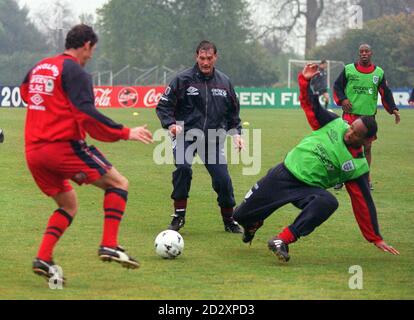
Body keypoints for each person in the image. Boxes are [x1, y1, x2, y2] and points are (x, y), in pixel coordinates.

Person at [20, 24, 154, 284]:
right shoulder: (75, 71)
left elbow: (27, 94)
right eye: (91, 50)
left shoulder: (41, 66)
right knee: (119, 184)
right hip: (61, 147)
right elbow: (87, 115)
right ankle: (109, 244)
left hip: (33, 152)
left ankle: (43, 258)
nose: (91, 56)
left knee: (68, 204)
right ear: (86, 45)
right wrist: (126, 132)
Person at [233, 64, 399, 263]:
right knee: (240, 216)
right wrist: (305, 81)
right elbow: (311, 105)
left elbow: (363, 202)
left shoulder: (358, 166)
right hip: (283, 174)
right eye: (351, 127)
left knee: (328, 202)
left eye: (356, 134)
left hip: (308, 189)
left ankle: (282, 240)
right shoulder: (336, 123)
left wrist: (375, 237)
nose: (349, 132)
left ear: (368, 140)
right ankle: (252, 223)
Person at [156, 40, 244, 233]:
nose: (205, 62)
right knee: (183, 168)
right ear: (197, 57)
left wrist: (237, 134)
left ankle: (229, 220)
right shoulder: (182, 80)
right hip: (185, 136)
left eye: (209, 58)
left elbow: (233, 114)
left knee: (223, 180)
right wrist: (170, 124)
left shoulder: (224, 82)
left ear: (215, 57)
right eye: (202, 58)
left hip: (212, 139)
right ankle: (178, 216)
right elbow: (164, 106)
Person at [333, 44, 400, 191]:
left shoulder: (379, 73)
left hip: (369, 117)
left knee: (367, 148)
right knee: (345, 146)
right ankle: (341, 177)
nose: (364, 54)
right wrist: (343, 99)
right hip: (351, 115)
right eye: (361, 52)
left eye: (366, 51)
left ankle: (366, 178)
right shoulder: (349, 69)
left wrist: (393, 109)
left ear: (371, 53)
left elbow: (385, 93)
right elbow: (337, 86)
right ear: (359, 54)